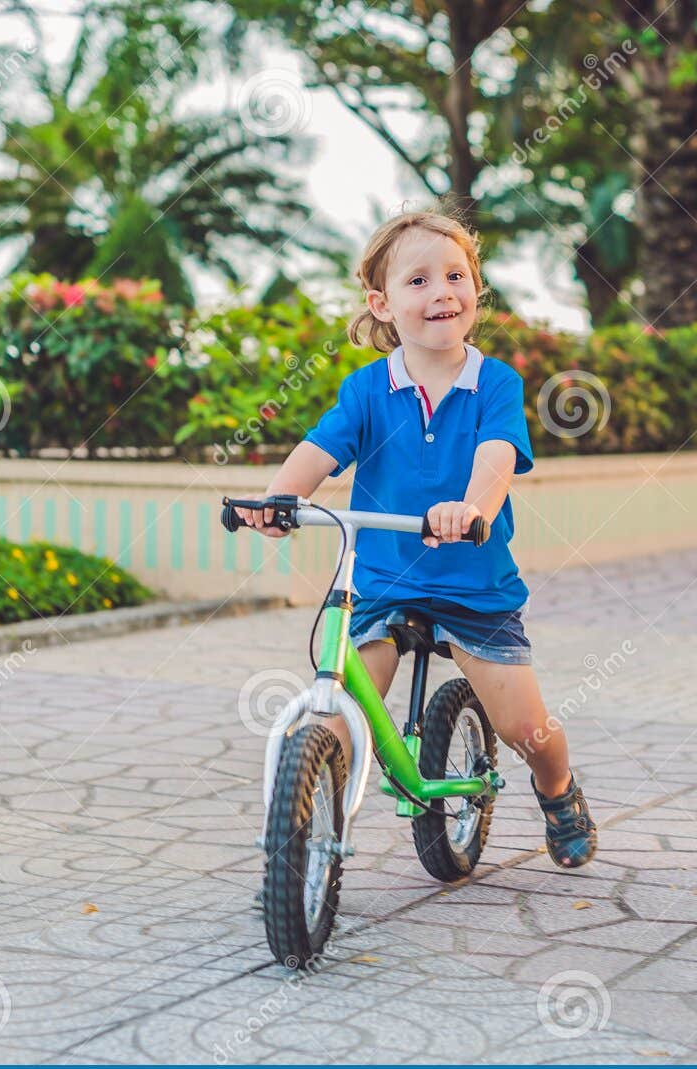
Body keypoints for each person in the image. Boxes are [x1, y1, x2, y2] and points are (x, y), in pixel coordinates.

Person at [237, 209, 597, 869]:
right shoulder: (368, 389)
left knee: (527, 729)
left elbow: (498, 459)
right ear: (383, 303)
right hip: (380, 578)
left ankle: (558, 789)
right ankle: (311, 809)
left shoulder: (495, 383)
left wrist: (470, 506)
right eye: (420, 280)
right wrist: (279, 499)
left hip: (471, 582)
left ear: (476, 289)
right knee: (342, 705)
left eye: (456, 276)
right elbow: (320, 449)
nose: (442, 293)